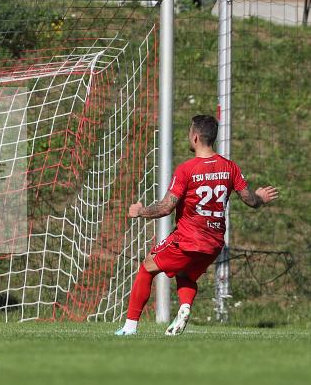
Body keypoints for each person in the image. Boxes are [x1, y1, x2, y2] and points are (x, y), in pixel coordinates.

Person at [115, 115, 278, 336]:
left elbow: (165, 208)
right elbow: (250, 200)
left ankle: (129, 328)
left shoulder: (186, 169)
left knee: (147, 268)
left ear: (195, 137)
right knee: (186, 276)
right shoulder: (230, 167)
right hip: (214, 243)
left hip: (187, 239)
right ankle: (184, 307)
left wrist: (140, 211)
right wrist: (260, 197)